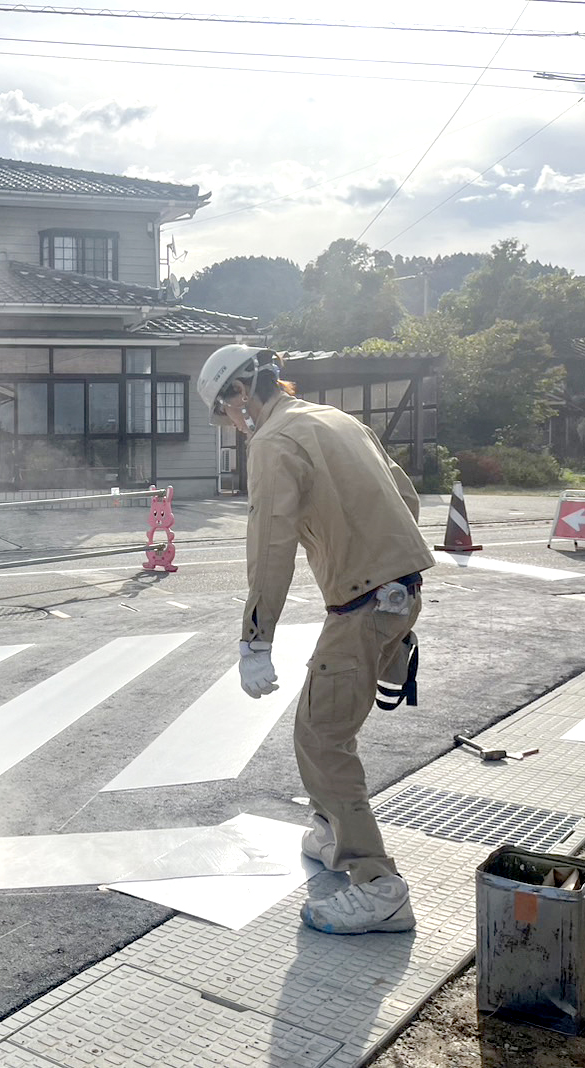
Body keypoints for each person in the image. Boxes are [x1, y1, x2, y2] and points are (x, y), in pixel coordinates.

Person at [196, 343, 434, 935]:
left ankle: (378, 884)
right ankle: (332, 829)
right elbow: (404, 496)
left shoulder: (273, 442)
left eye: (225, 411)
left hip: (362, 601)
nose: (230, 423)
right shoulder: (336, 419)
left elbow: (270, 545)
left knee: (322, 738)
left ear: (239, 394)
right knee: (328, 728)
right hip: (399, 590)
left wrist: (255, 639)